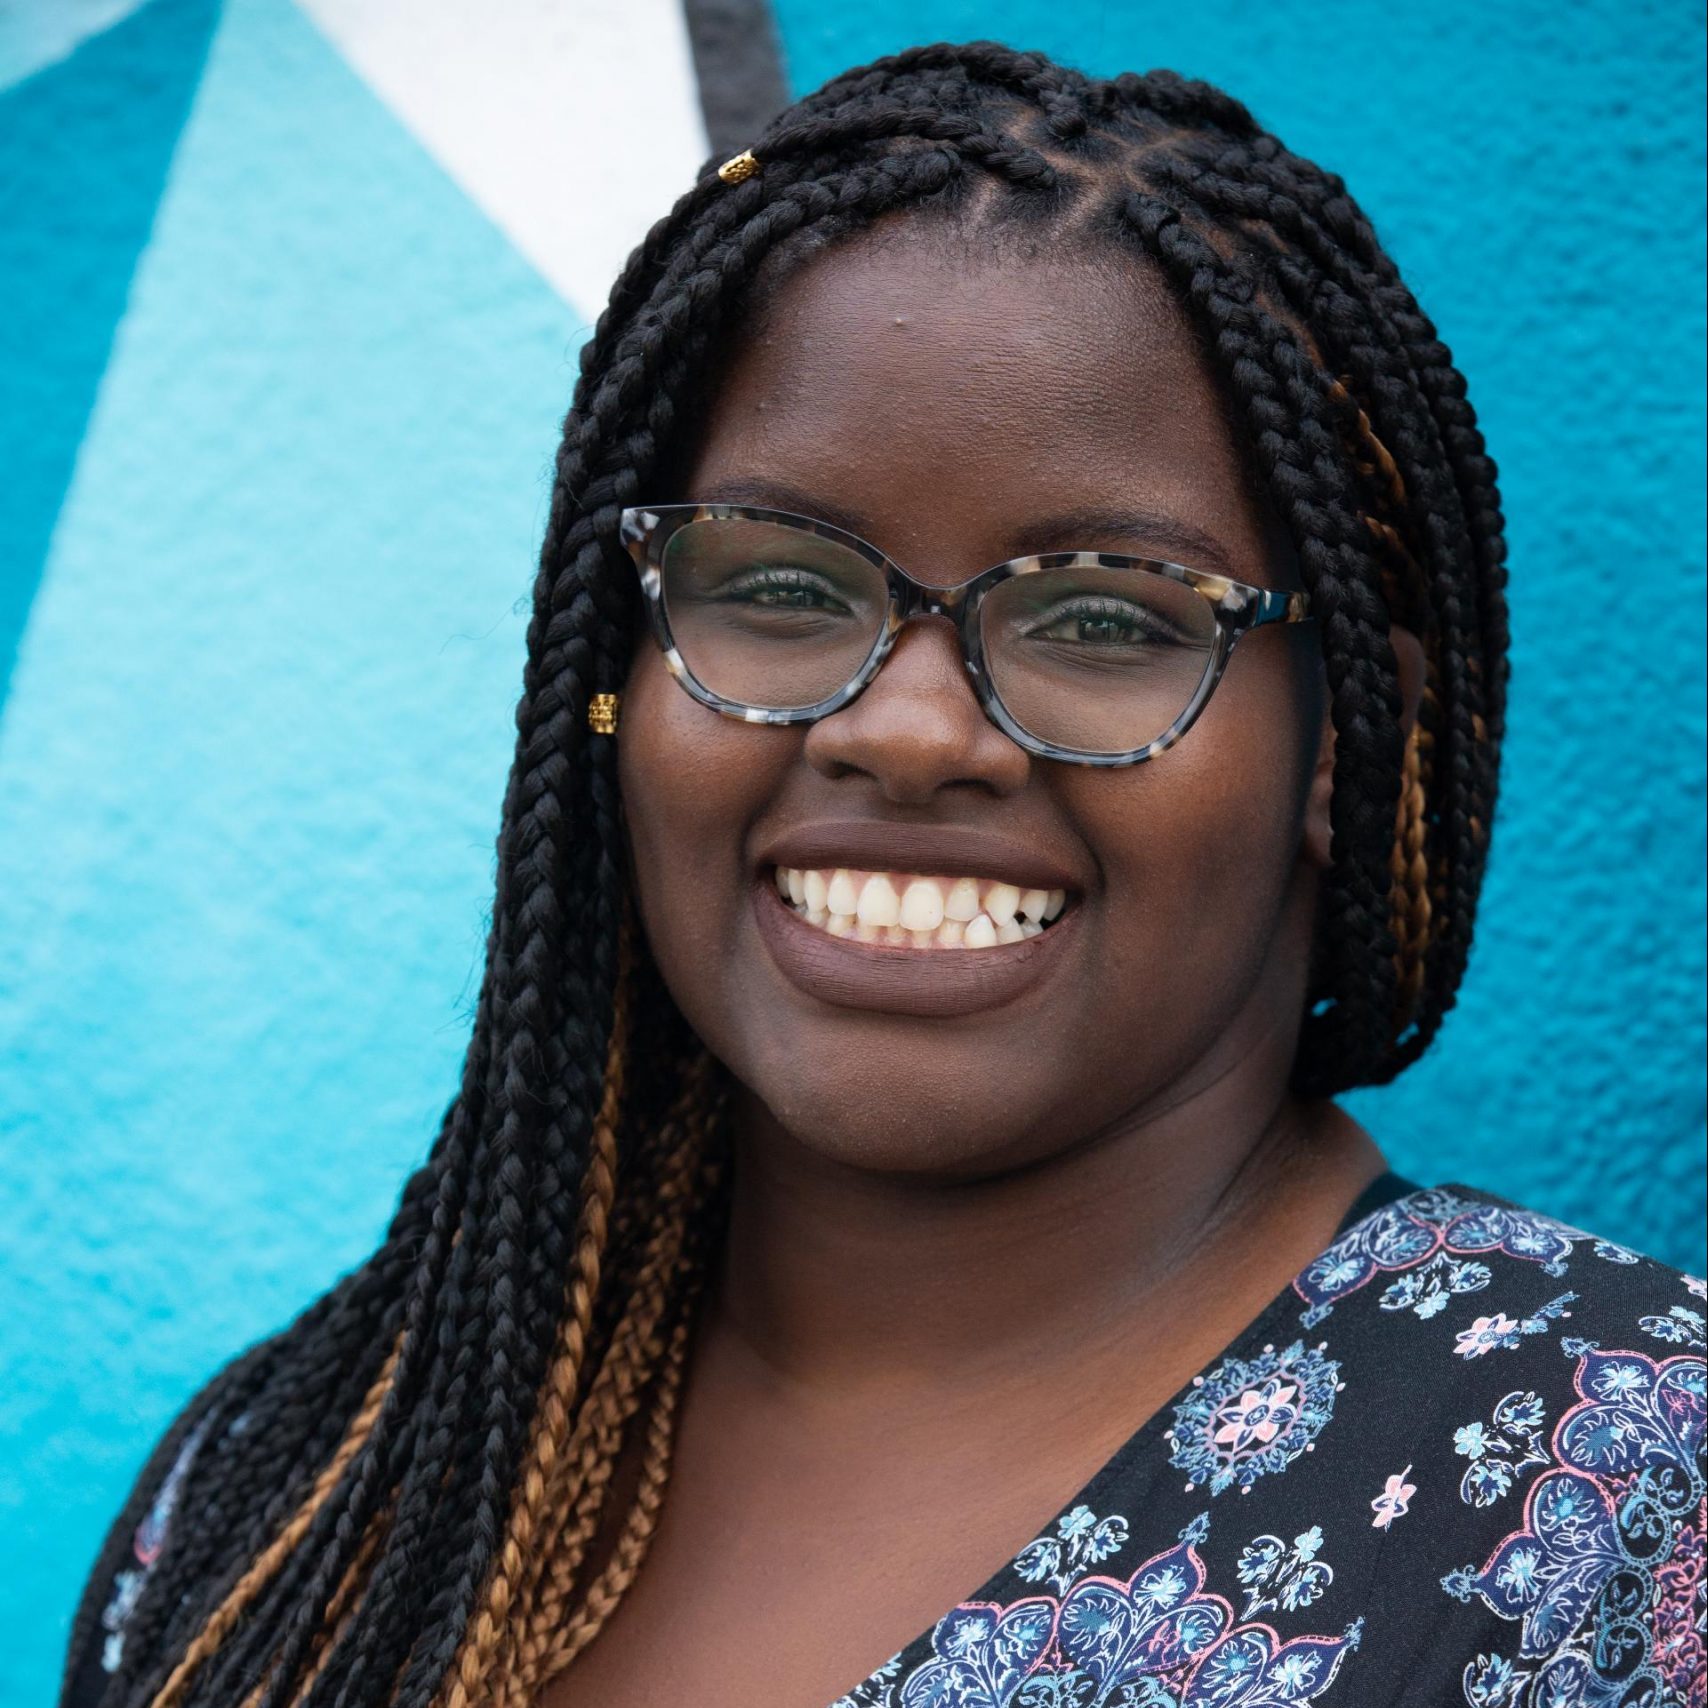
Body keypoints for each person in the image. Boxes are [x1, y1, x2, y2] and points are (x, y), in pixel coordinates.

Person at [62, 40, 1705, 1708]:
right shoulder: (305, 1499)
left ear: (1350, 743)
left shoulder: (1619, 1491)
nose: (909, 732)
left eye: (1102, 618)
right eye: (779, 586)